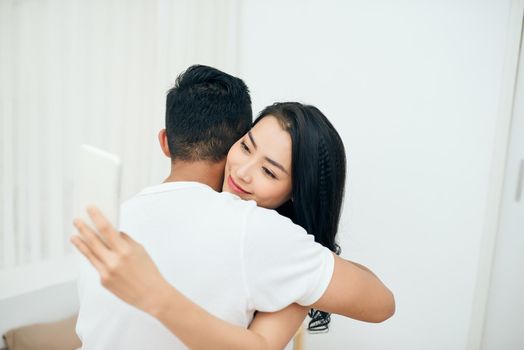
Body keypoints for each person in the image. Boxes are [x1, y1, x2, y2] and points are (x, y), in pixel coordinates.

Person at [73, 65, 395, 350]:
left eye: (269, 171)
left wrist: (304, 271)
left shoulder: (125, 212)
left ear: (296, 192)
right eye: (245, 146)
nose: (241, 171)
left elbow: (381, 303)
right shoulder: (265, 238)